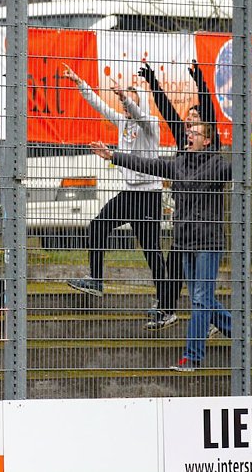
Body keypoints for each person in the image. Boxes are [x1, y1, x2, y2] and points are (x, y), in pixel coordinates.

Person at [90, 122, 232, 371]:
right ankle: (240, 333)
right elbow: (150, 165)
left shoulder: (218, 165)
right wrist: (113, 155)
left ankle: (192, 357)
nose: (189, 136)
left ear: (207, 141)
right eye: (189, 132)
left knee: (199, 300)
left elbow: (238, 169)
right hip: (185, 242)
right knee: (203, 298)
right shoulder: (179, 163)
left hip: (208, 243)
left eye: (195, 133)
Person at [63, 64, 167, 299]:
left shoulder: (151, 124)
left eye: (129, 101)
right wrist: (80, 83)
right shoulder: (122, 122)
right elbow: (99, 105)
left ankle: (165, 300)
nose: (124, 105)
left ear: (139, 102)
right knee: (98, 225)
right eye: (123, 101)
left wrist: (127, 98)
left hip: (149, 195)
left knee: (152, 250)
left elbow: (140, 115)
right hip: (129, 193)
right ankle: (96, 280)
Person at [139, 60, 216, 330]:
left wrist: (200, 81)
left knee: (199, 285)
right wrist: (152, 82)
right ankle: (168, 310)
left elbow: (209, 111)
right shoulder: (184, 143)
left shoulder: (210, 146)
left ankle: (211, 321)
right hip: (184, 220)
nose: (189, 122)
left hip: (204, 223)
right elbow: (168, 111)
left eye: (195, 119)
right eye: (189, 119)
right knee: (175, 268)